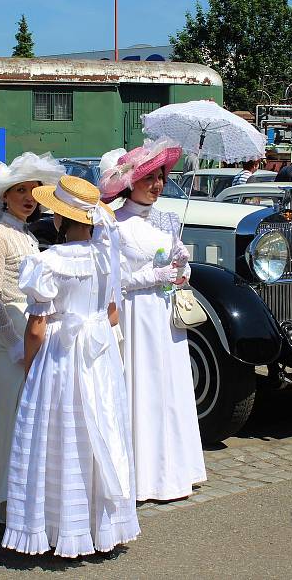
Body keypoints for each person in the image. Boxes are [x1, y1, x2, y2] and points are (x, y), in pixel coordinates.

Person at [2, 175, 139, 558]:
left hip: (62, 355)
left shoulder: (47, 262)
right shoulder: (107, 257)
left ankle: (58, 525)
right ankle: (102, 525)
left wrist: (30, 366)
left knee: (58, 432)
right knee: (102, 425)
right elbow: (112, 315)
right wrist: (92, 319)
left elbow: (36, 326)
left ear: (59, 220)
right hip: (100, 354)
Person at [99, 137, 207, 502]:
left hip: (164, 318)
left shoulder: (166, 221)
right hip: (135, 316)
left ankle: (174, 470)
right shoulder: (113, 224)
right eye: (149, 179)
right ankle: (142, 476)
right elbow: (111, 280)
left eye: (161, 177)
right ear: (131, 183)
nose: (157, 185)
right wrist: (153, 277)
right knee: (141, 389)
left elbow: (178, 269)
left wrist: (182, 267)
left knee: (170, 389)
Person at [0, 152, 66, 525]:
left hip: (30, 331)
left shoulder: (26, 235)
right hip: (8, 333)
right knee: (11, 416)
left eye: (33, 190)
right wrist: (12, 342)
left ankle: (25, 493)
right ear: (5, 196)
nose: (29, 197)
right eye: (20, 190)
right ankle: (5, 500)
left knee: (31, 416)